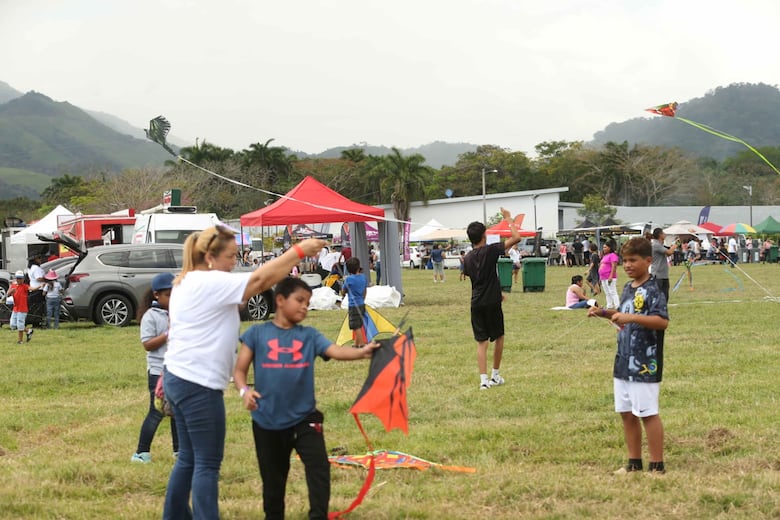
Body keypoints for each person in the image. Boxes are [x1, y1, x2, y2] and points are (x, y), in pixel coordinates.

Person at [162, 224, 325, 519]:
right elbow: (261, 280)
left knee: (188, 457)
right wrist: (299, 251)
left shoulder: (187, 281)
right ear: (210, 257)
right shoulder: (209, 282)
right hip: (198, 385)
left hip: (178, 376)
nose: (234, 263)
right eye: (230, 257)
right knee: (207, 463)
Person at [233, 277, 379, 520]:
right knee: (273, 482)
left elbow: (336, 351)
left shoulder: (309, 336)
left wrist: (362, 352)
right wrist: (244, 391)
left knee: (319, 470)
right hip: (267, 420)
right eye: (299, 300)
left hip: (305, 418)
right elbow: (239, 371)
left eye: (307, 302)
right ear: (280, 300)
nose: (304, 307)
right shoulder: (257, 334)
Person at [588, 237, 669, 475]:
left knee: (647, 413)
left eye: (633, 260)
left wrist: (631, 318)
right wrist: (603, 312)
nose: (628, 265)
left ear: (648, 261)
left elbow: (661, 321)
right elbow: (623, 314)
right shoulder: (627, 288)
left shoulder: (654, 289)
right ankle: (634, 462)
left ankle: (657, 465)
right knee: (626, 412)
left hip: (644, 362)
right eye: (625, 261)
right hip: (623, 361)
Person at [463, 207, 522, 390]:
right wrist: (508, 219)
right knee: (499, 337)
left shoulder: (467, 258)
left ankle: (483, 380)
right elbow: (516, 238)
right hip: (491, 302)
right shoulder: (490, 251)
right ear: (484, 236)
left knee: (481, 342)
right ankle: (495, 375)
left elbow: (478, 279)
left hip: (476, 302)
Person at [132, 273, 179, 464]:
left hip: (177, 369)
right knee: (156, 411)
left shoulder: (178, 313)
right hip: (158, 371)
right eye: (168, 295)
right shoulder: (150, 317)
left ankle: (179, 451)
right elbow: (148, 344)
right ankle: (141, 453)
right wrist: (169, 333)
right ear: (156, 295)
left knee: (177, 412)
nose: (172, 298)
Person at [340, 257, 368, 347]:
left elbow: (343, 291)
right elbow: (364, 291)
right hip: (361, 304)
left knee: (356, 326)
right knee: (359, 324)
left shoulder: (349, 279)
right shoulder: (363, 277)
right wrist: (362, 299)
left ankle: (362, 344)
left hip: (353, 306)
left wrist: (343, 292)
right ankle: (356, 344)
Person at [650, 228, 676, 304]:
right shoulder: (656, 245)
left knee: (665, 296)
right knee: (658, 296)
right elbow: (669, 253)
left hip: (663, 274)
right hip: (657, 275)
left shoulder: (660, 245)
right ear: (660, 235)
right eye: (663, 233)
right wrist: (674, 247)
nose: (665, 234)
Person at [7, 271, 34, 344]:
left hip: (22, 309)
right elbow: (8, 294)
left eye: (21, 278)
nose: (19, 280)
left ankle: (20, 341)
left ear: (23, 279)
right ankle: (28, 331)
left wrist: (39, 286)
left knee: (20, 325)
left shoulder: (25, 286)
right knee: (12, 325)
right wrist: (11, 291)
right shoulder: (13, 285)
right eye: (18, 278)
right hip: (15, 308)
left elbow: (31, 288)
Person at [599, 240, 620, 309]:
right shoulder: (605, 256)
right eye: (603, 247)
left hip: (609, 276)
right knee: (607, 292)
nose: (603, 249)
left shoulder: (613, 255)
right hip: (603, 277)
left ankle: (617, 305)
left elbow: (614, 266)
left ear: (609, 248)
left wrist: (611, 276)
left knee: (612, 291)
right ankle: (609, 305)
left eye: (605, 247)